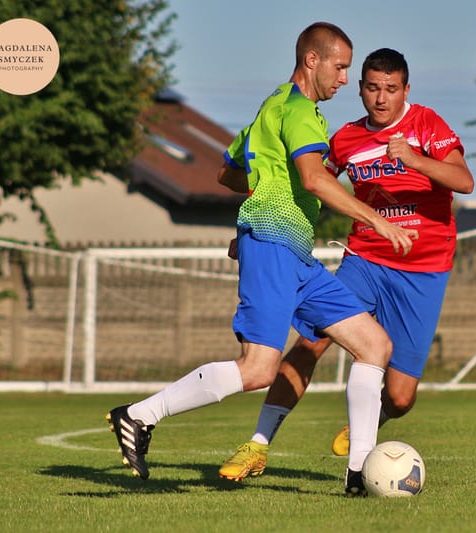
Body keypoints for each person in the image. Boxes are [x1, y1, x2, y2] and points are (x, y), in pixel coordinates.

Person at [106, 24, 418, 497]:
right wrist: (377, 219)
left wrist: (254, 213)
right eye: (340, 67)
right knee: (257, 369)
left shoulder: (271, 106)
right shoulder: (300, 113)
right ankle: (138, 415)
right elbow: (314, 180)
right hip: (274, 246)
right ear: (312, 61)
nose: (343, 79)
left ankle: (357, 476)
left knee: (374, 345)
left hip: (291, 251)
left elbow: (229, 172)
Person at [220, 47, 474, 482]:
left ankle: (372, 421)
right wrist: (256, 226)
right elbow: (304, 180)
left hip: (424, 271)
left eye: (391, 89)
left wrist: (413, 158)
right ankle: (257, 445)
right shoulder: (347, 139)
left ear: (406, 90)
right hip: (366, 259)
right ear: (360, 88)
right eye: (373, 88)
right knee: (310, 343)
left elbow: (464, 181)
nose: (381, 98)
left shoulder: (427, 125)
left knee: (400, 397)